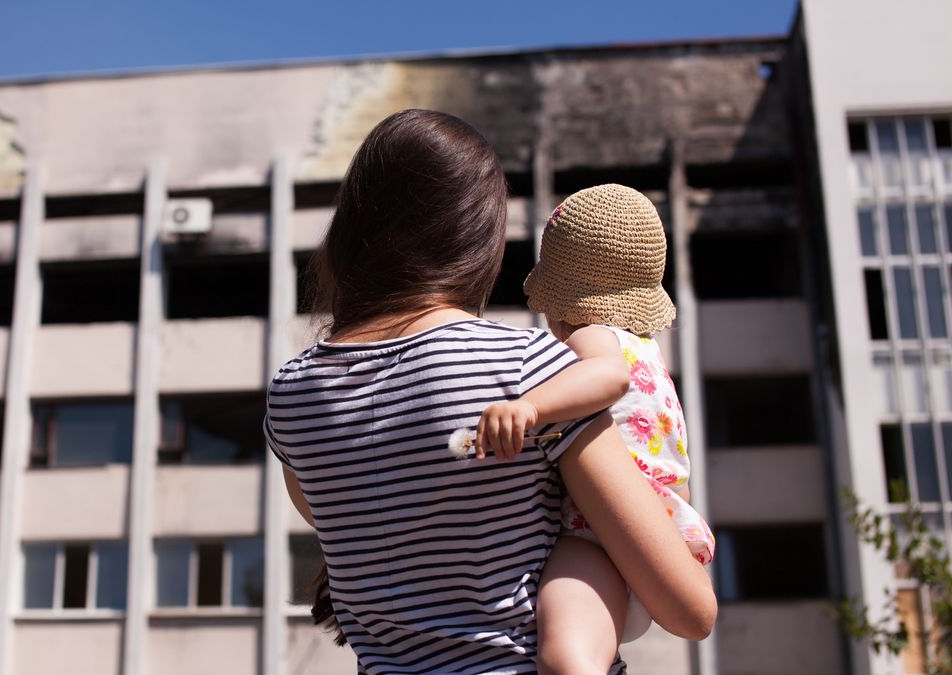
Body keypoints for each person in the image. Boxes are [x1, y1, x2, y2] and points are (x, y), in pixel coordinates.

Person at [264, 109, 715, 674]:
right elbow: (688, 610)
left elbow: (335, 518)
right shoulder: (533, 371)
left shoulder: (291, 394)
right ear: (481, 237)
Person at [473, 184, 715, 674]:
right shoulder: (647, 349)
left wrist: (530, 408)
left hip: (597, 539)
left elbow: (608, 379)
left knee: (567, 659)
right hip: (662, 531)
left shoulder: (594, 338)